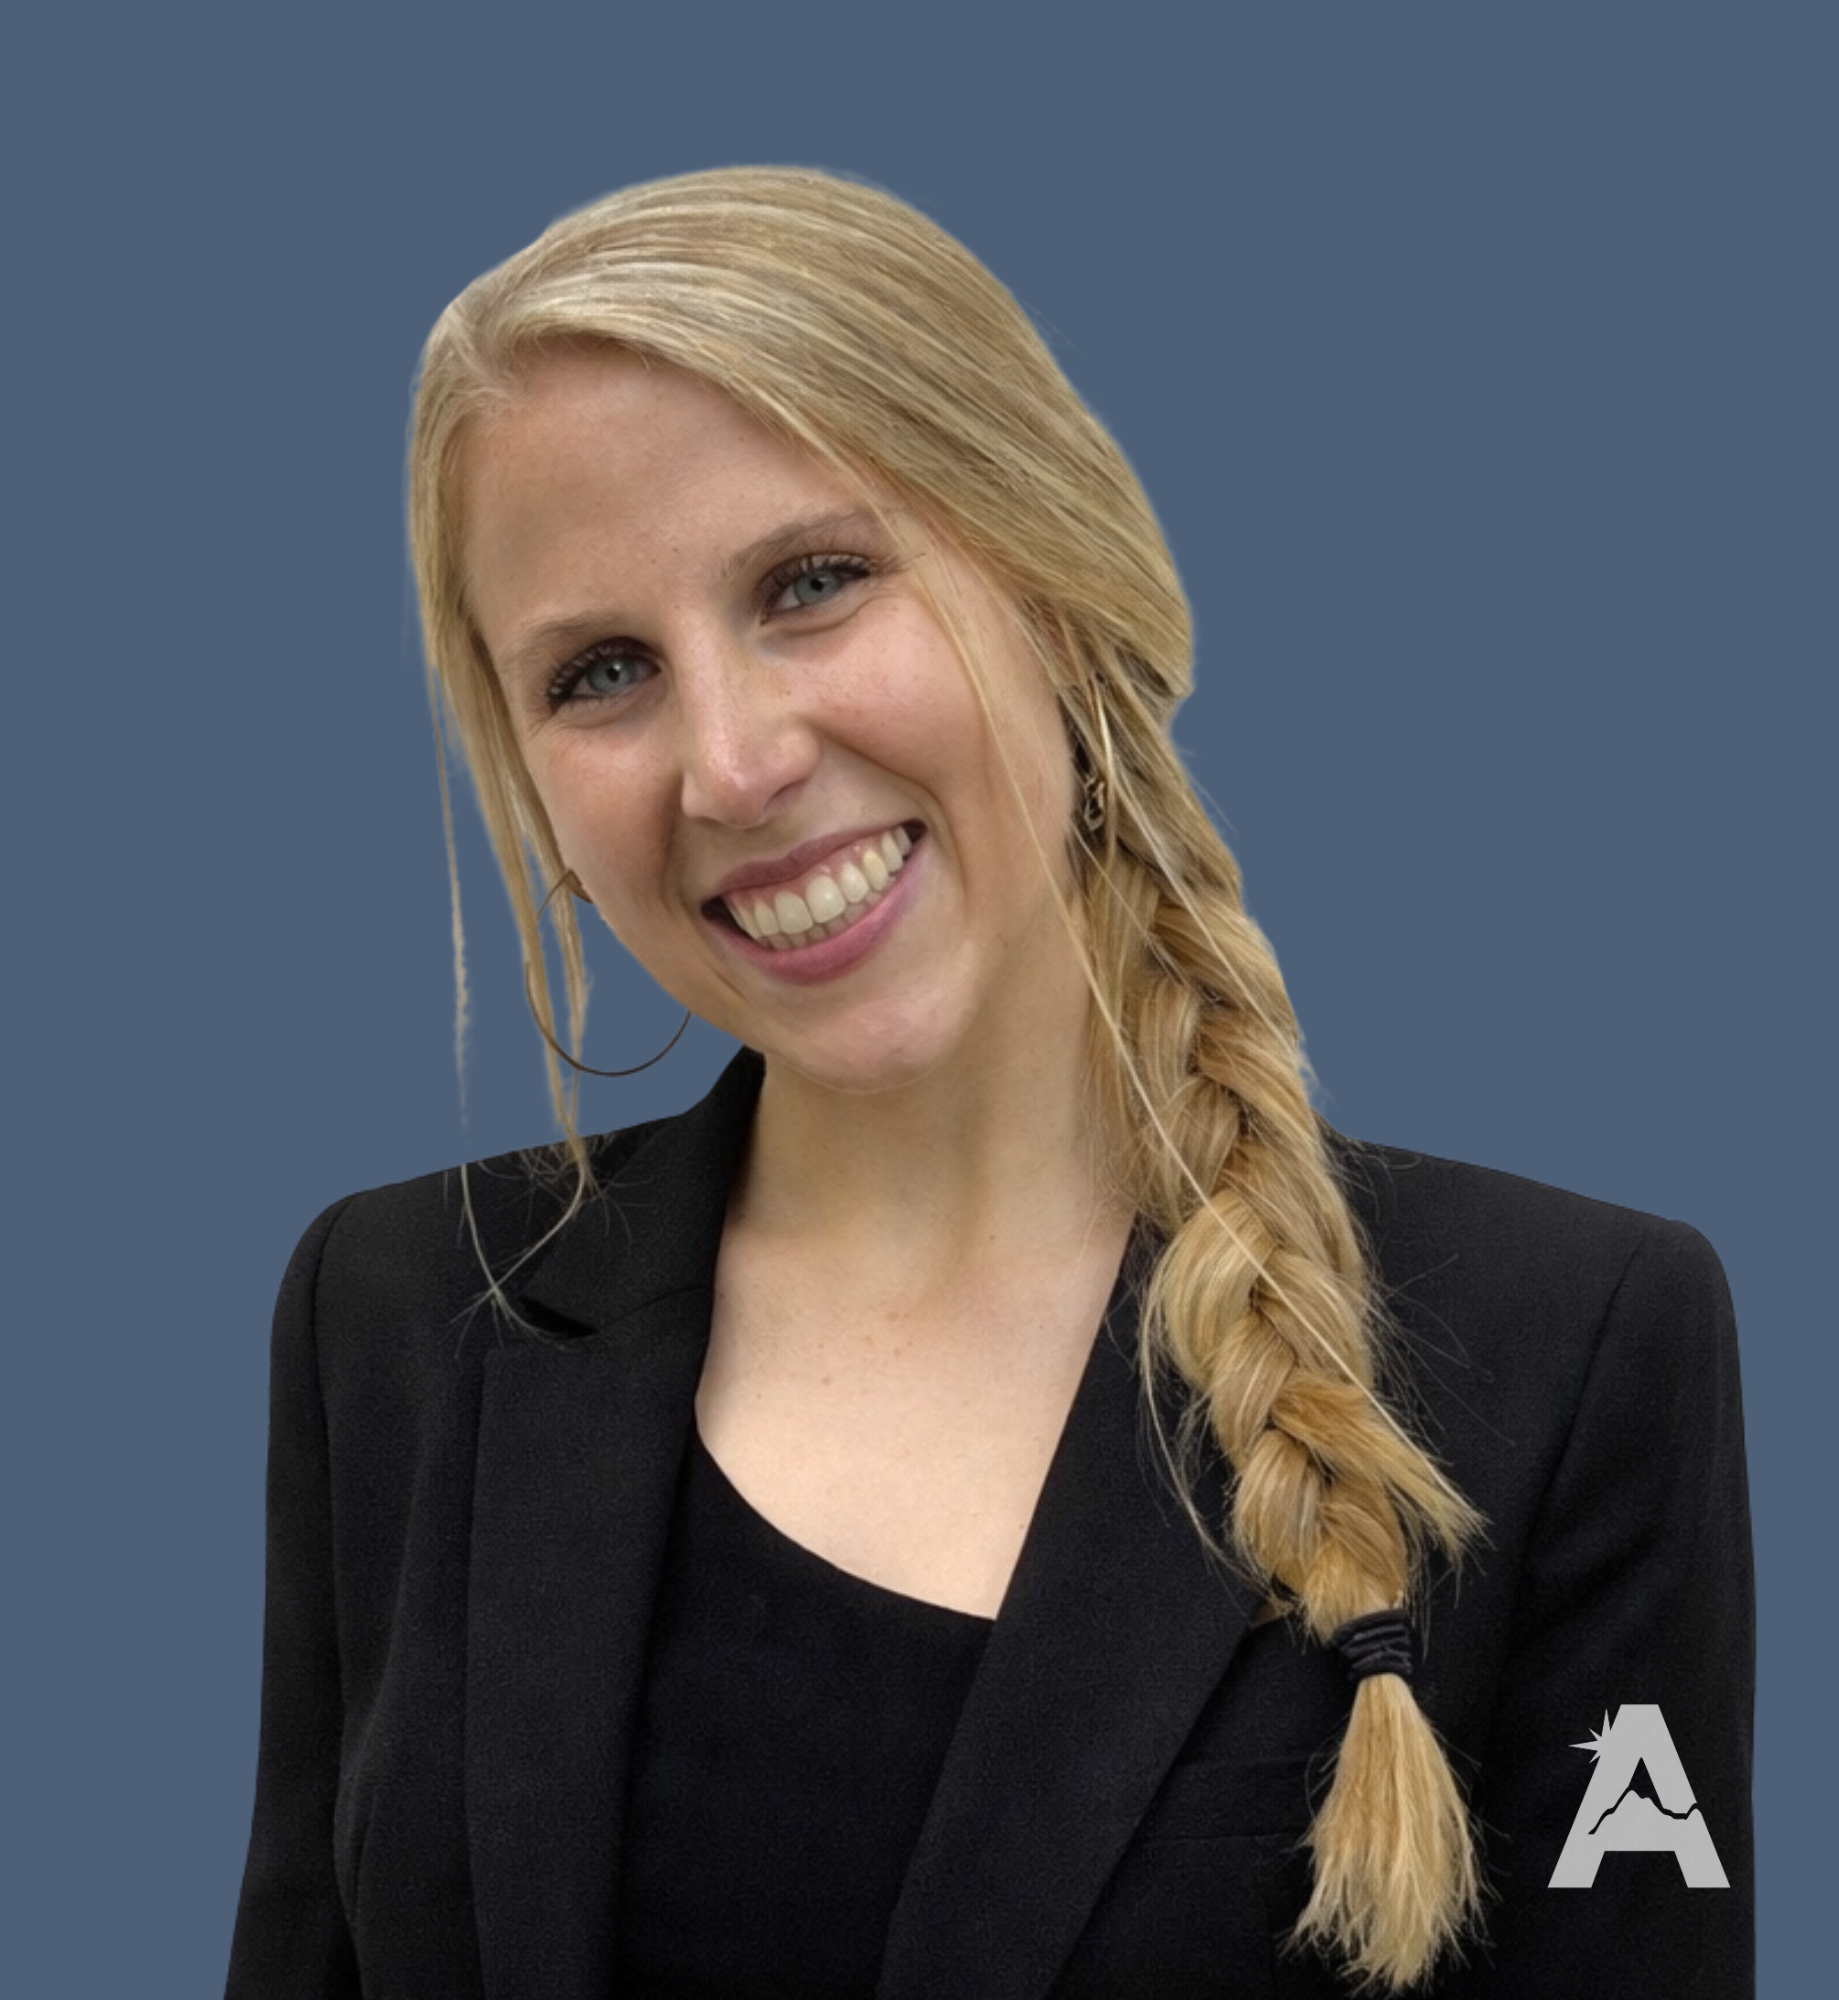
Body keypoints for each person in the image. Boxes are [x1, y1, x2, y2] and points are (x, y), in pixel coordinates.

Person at [225, 167, 1753, 1998]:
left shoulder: (1573, 1349)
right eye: (601, 671)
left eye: (814, 582)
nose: (730, 761)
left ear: (1054, 581)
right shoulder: (396, 1320)